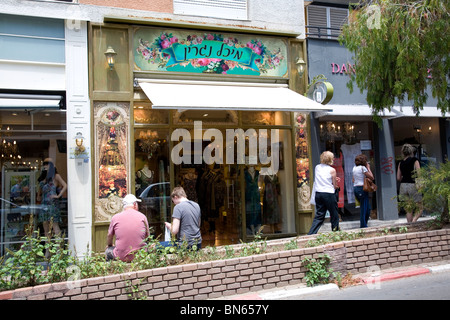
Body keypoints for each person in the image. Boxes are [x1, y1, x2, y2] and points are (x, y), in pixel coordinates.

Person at [106, 194, 150, 262]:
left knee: (108, 251)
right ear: (135, 204)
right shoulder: (142, 217)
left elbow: (109, 236)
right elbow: (148, 237)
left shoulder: (115, 218)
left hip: (121, 256)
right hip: (140, 255)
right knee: (150, 246)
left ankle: (113, 270)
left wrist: (110, 245)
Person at [308, 151, 340, 235]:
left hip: (318, 193)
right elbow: (334, 185)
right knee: (334, 214)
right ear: (331, 159)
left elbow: (322, 178)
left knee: (319, 215)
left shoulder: (317, 167)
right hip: (328, 193)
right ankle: (335, 232)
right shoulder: (332, 170)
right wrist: (336, 182)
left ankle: (311, 233)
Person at [37, 158, 67, 246]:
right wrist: (39, 195)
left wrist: (58, 195)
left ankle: (58, 250)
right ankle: (48, 251)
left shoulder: (55, 176)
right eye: (45, 163)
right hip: (44, 205)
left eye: (48, 163)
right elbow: (39, 192)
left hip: (52, 204)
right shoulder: (43, 177)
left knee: (55, 226)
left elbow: (65, 185)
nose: (46, 165)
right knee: (46, 228)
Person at [397, 144, 422, 223]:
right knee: (420, 207)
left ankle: (409, 224)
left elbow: (398, 177)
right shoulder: (415, 160)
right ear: (411, 151)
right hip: (413, 184)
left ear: (403, 153)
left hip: (403, 186)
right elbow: (419, 174)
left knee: (408, 208)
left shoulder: (401, 163)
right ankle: (414, 221)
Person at [352, 154, 374, 228]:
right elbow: (372, 177)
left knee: (367, 207)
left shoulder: (354, 168)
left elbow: (353, 180)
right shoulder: (363, 168)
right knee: (364, 208)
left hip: (356, 188)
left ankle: (365, 223)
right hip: (362, 188)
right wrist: (368, 168)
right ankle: (363, 225)